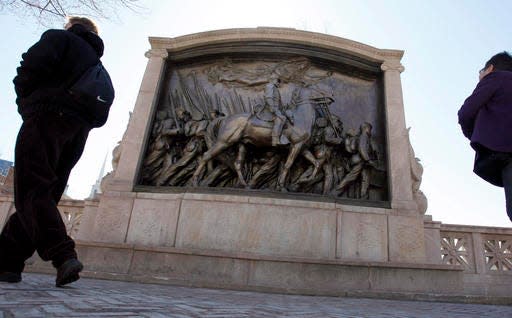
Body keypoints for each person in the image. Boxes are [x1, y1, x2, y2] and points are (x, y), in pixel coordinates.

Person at [0, 16, 109, 286]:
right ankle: (6, 262)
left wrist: (26, 102)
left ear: (72, 27)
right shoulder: (96, 62)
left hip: (47, 117)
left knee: (31, 189)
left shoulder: (60, 38)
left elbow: (30, 66)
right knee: (43, 195)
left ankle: (63, 254)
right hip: (78, 131)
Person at [458, 51, 512, 222]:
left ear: (490, 68)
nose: (480, 75)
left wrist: (477, 136)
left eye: (480, 71)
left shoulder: (496, 78)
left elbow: (466, 113)